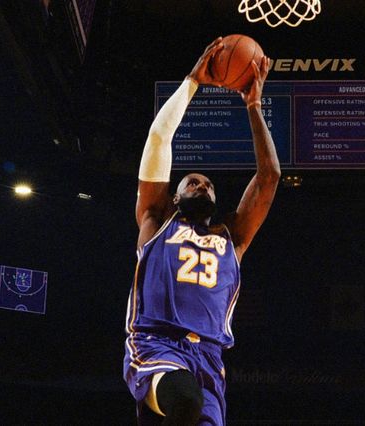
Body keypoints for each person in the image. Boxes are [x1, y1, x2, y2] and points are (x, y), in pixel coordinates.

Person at [123, 37, 281, 425]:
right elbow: (159, 138)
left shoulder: (233, 238)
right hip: (157, 343)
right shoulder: (156, 221)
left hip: (210, 357)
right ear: (174, 196)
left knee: (193, 406)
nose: (202, 185)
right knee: (185, 401)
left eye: (208, 184)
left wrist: (254, 106)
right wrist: (192, 82)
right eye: (192, 182)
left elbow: (270, 176)